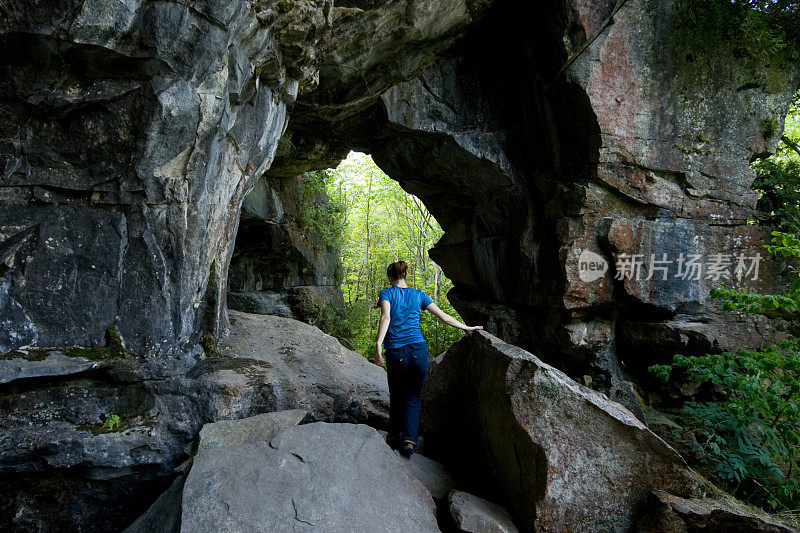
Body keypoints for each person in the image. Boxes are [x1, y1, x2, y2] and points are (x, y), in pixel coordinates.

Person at [374, 260, 483, 457]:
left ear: (390, 277)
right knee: (414, 397)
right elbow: (444, 317)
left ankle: (395, 435)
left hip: (397, 351)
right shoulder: (419, 295)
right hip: (418, 351)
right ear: (405, 276)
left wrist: (378, 345)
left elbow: (386, 318)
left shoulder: (387, 293)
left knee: (398, 394)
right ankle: (409, 441)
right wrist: (466, 327)